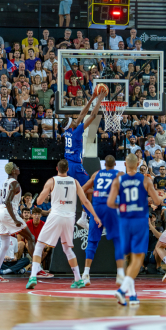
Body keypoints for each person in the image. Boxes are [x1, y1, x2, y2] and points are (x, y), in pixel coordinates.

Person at [28, 160, 101, 289]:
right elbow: (85, 201)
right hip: (69, 218)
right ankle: (78, 279)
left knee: (39, 245)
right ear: (68, 169)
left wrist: (49, 193)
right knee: (67, 249)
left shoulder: (52, 181)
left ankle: (33, 276)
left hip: (56, 215)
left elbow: (39, 201)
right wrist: (95, 216)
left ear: (57, 168)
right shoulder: (75, 181)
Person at [107, 153, 162, 306]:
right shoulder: (145, 180)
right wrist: (148, 198)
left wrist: (123, 206)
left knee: (129, 259)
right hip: (139, 221)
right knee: (137, 259)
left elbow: (111, 202)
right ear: (138, 164)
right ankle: (122, 290)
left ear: (125, 164)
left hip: (124, 222)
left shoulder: (118, 180)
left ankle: (132, 295)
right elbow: (157, 201)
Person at [80, 155, 125, 286]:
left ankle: (86, 274)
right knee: (118, 241)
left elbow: (82, 190)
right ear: (115, 164)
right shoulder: (119, 174)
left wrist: (95, 192)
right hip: (111, 208)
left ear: (104, 164)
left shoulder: (96, 174)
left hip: (97, 209)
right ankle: (120, 275)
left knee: (92, 242)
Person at [64, 92, 105, 230]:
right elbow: (92, 116)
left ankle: (83, 216)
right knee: (87, 186)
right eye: (74, 120)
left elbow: (82, 114)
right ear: (72, 125)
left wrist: (91, 99)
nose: (77, 120)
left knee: (84, 189)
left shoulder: (68, 131)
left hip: (68, 164)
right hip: (75, 165)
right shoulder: (76, 132)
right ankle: (85, 215)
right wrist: (99, 100)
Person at [0, 162, 35, 283]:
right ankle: (37, 269)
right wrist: (15, 219)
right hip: (8, 213)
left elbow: (3, 201)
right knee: (30, 238)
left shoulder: (5, 182)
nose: (18, 168)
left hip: (0, 212)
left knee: (4, 245)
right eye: (16, 167)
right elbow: (8, 202)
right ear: (13, 171)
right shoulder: (14, 183)